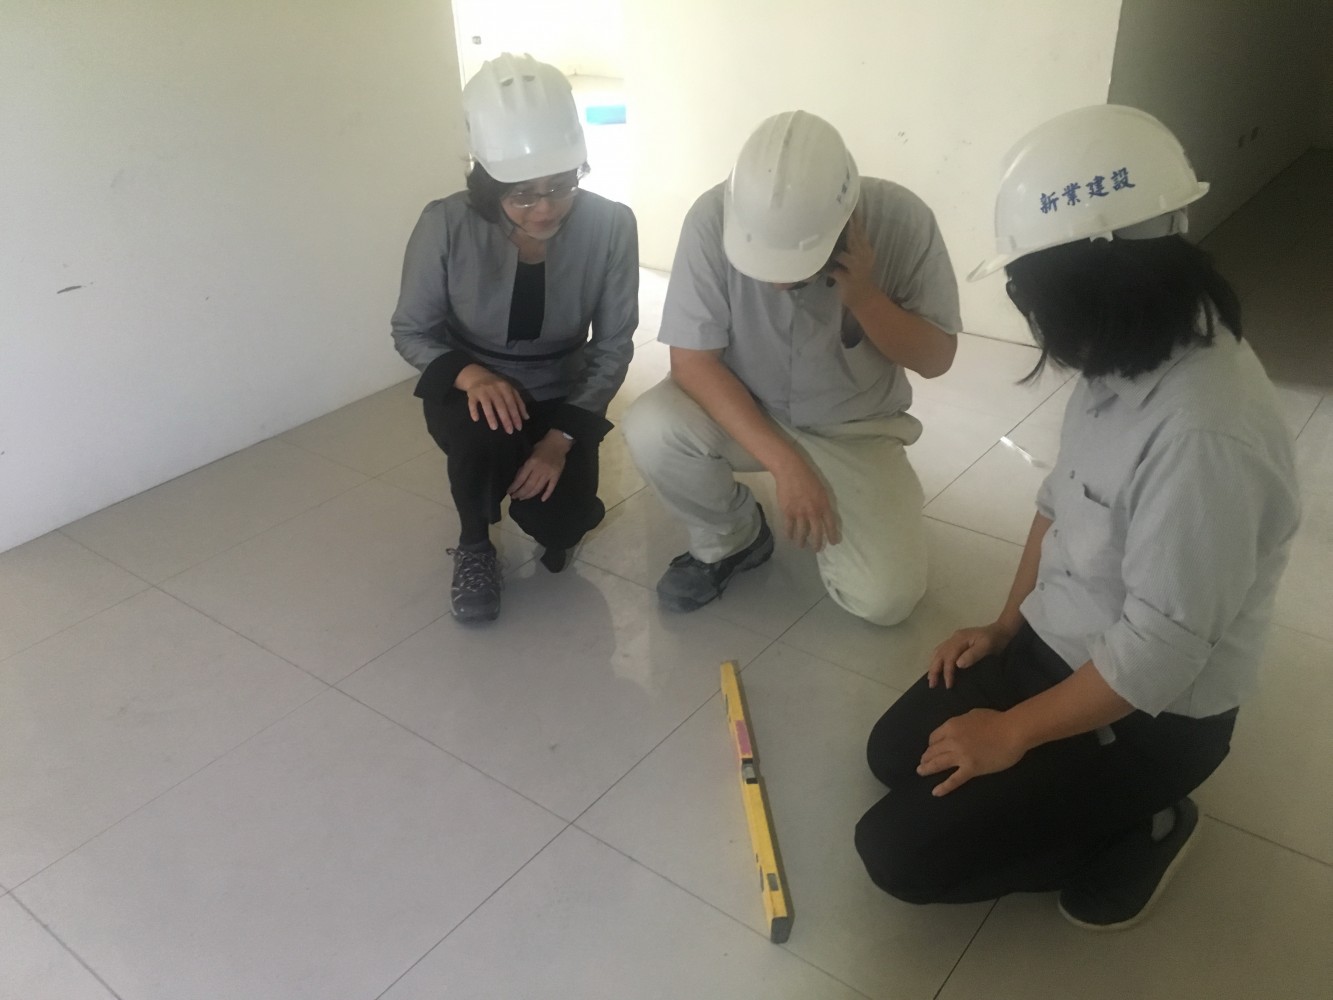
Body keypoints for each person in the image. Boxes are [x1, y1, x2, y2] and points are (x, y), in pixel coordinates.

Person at [854, 105, 1301, 929]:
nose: (1039, 328)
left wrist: (1012, 733)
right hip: (1060, 643)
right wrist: (1003, 626)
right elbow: (1060, 502)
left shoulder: (1204, 436)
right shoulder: (1130, 343)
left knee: (896, 854)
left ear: (1101, 289)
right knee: (892, 755)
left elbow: (1157, 652)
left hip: (1150, 716)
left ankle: (1147, 822)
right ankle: (1048, 767)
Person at [622, 111, 960, 626]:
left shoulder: (903, 221)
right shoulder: (712, 218)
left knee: (886, 601)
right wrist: (786, 465)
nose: (779, 285)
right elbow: (692, 363)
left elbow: (936, 359)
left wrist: (866, 298)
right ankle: (733, 536)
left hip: (854, 427)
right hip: (744, 406)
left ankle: (871, 504)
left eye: (798, 269)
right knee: (653, 426)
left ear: (845, 224)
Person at [391, 53, 638, 623]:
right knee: (482, 439)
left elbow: (613, 345)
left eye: (561, 185)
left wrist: (560, 439)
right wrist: (470, 375)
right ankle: (475, 544)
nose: (545, 208)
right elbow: (411, 329)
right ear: (488, 184)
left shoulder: (610, 225)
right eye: (522, 193)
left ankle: (549, 513)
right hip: (473, 387)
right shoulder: (445, 223)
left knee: (563, 521)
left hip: (562, 388)